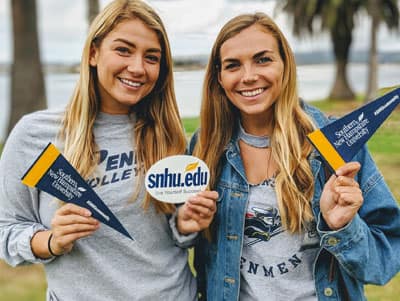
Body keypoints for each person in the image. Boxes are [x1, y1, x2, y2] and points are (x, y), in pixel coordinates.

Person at [0, 1, 217, 300]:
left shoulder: (168, 135)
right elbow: (7, 230)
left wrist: (185, 225)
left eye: (151, 57)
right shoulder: (35, 136)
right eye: (124, 50)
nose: (138, 67)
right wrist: (50, 241)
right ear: (93, 53)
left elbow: (177, 235)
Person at [190, 12, 400, 301]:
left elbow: (384, 262)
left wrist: (342, 226)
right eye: (233, 65)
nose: (249, 76)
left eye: (263, 59)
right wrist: (184, 223)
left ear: (285, 65)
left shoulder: (332, 144)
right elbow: (184, 242)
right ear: (219, 77)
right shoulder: (205, 145)